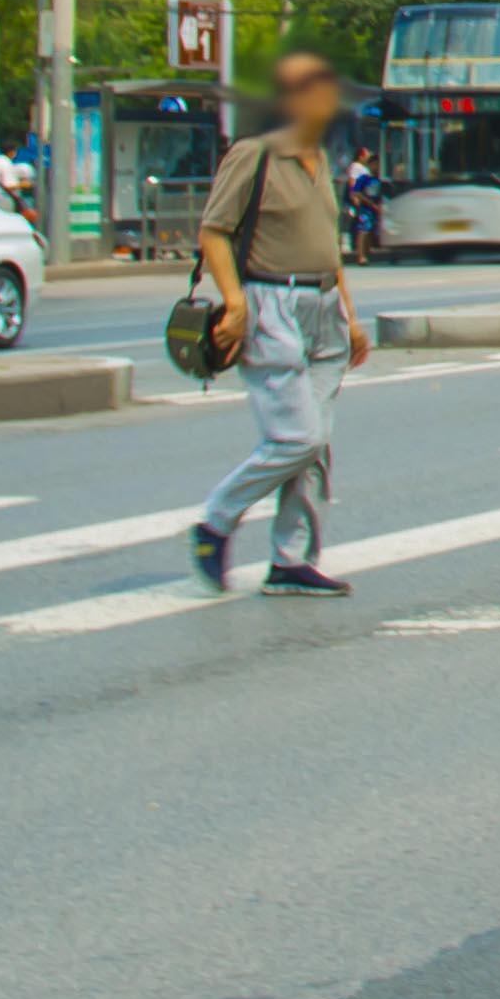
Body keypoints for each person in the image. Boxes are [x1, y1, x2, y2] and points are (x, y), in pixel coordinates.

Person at [191, 50, 374, 598]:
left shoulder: (322, 159)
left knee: (314, 449)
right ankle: (215, 522)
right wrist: (234, 301)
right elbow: (214, 232)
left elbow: (330, 248)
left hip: (324, 310)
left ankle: (291, 561)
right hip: (273, 304)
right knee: (297, 436)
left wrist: (351, 317)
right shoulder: (255, 155)